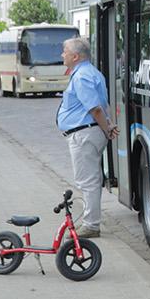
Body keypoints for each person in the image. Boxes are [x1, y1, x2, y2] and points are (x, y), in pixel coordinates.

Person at [58, 35, 118, 237]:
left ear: (75, 56)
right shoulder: (92, 73)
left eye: (64, 52)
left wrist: (107, 128)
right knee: (91, 179)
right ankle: (91, 222)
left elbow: (95, 108)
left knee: (88, 181)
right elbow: (102, 106)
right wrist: (107, 126)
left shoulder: (82, 76)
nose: (62, 55)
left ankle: (91, 224)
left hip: (83, 134)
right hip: (89, 131)